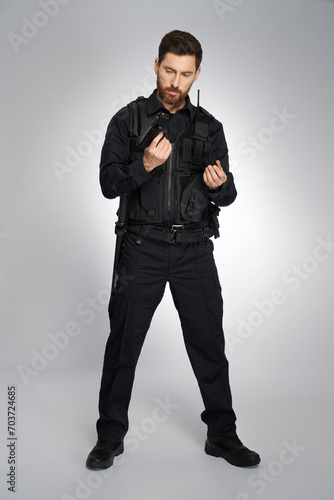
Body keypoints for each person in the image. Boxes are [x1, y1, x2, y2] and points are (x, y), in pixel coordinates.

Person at [86, 30, 260, 470]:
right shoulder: (127, 121)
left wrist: (223, 189)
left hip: (194, 252)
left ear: (197, 73)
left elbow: (229, 192)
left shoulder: (210, 128)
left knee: (209, 345)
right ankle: (109, 437)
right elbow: (109, 185)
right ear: (157, 65)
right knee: (123, 344)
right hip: (140, 249)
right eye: (169, 70)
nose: (175, 82)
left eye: (185, 74)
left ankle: (222, 435)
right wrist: (144, 164)